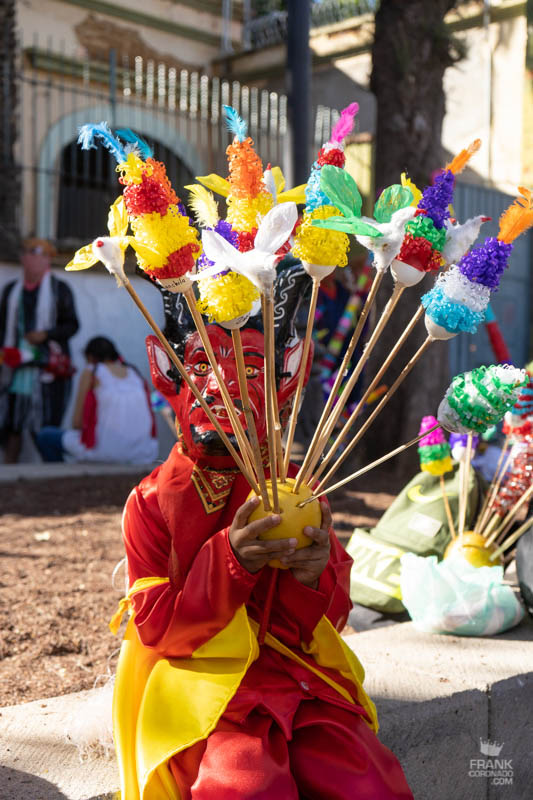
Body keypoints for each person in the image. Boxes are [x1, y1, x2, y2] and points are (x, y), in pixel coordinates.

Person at [110, 265, 413, 799]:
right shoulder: (152, 503)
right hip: (203, 685)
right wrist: (230, 561)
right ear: (168, 374)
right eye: (202, 365)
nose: (223, 389)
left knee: (369, 783)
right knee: (245, 788)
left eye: (250, 367)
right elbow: (158, 630)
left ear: (285, 380)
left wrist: (313, 574)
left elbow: (326, 619)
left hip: (295, 678)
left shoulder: (298, 492)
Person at [0, 237, 79, 462]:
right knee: (11, 422)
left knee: (44, 425)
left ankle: (52, 472)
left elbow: (72, 325)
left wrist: (45, 335)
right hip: (14, 367)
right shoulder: (10, 292)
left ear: (47, 260)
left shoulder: (59, 290)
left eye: (37, 253)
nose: (30, 258)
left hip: (48, 370)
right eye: (26, 252)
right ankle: (8, 472)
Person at [36, 336, 158, 464]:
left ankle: (62, 478)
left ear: (90, 357)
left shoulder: (92, 372)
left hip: (104, 452)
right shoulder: (135, 373)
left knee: (46, 436)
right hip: (145, 453)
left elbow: (77, 423)